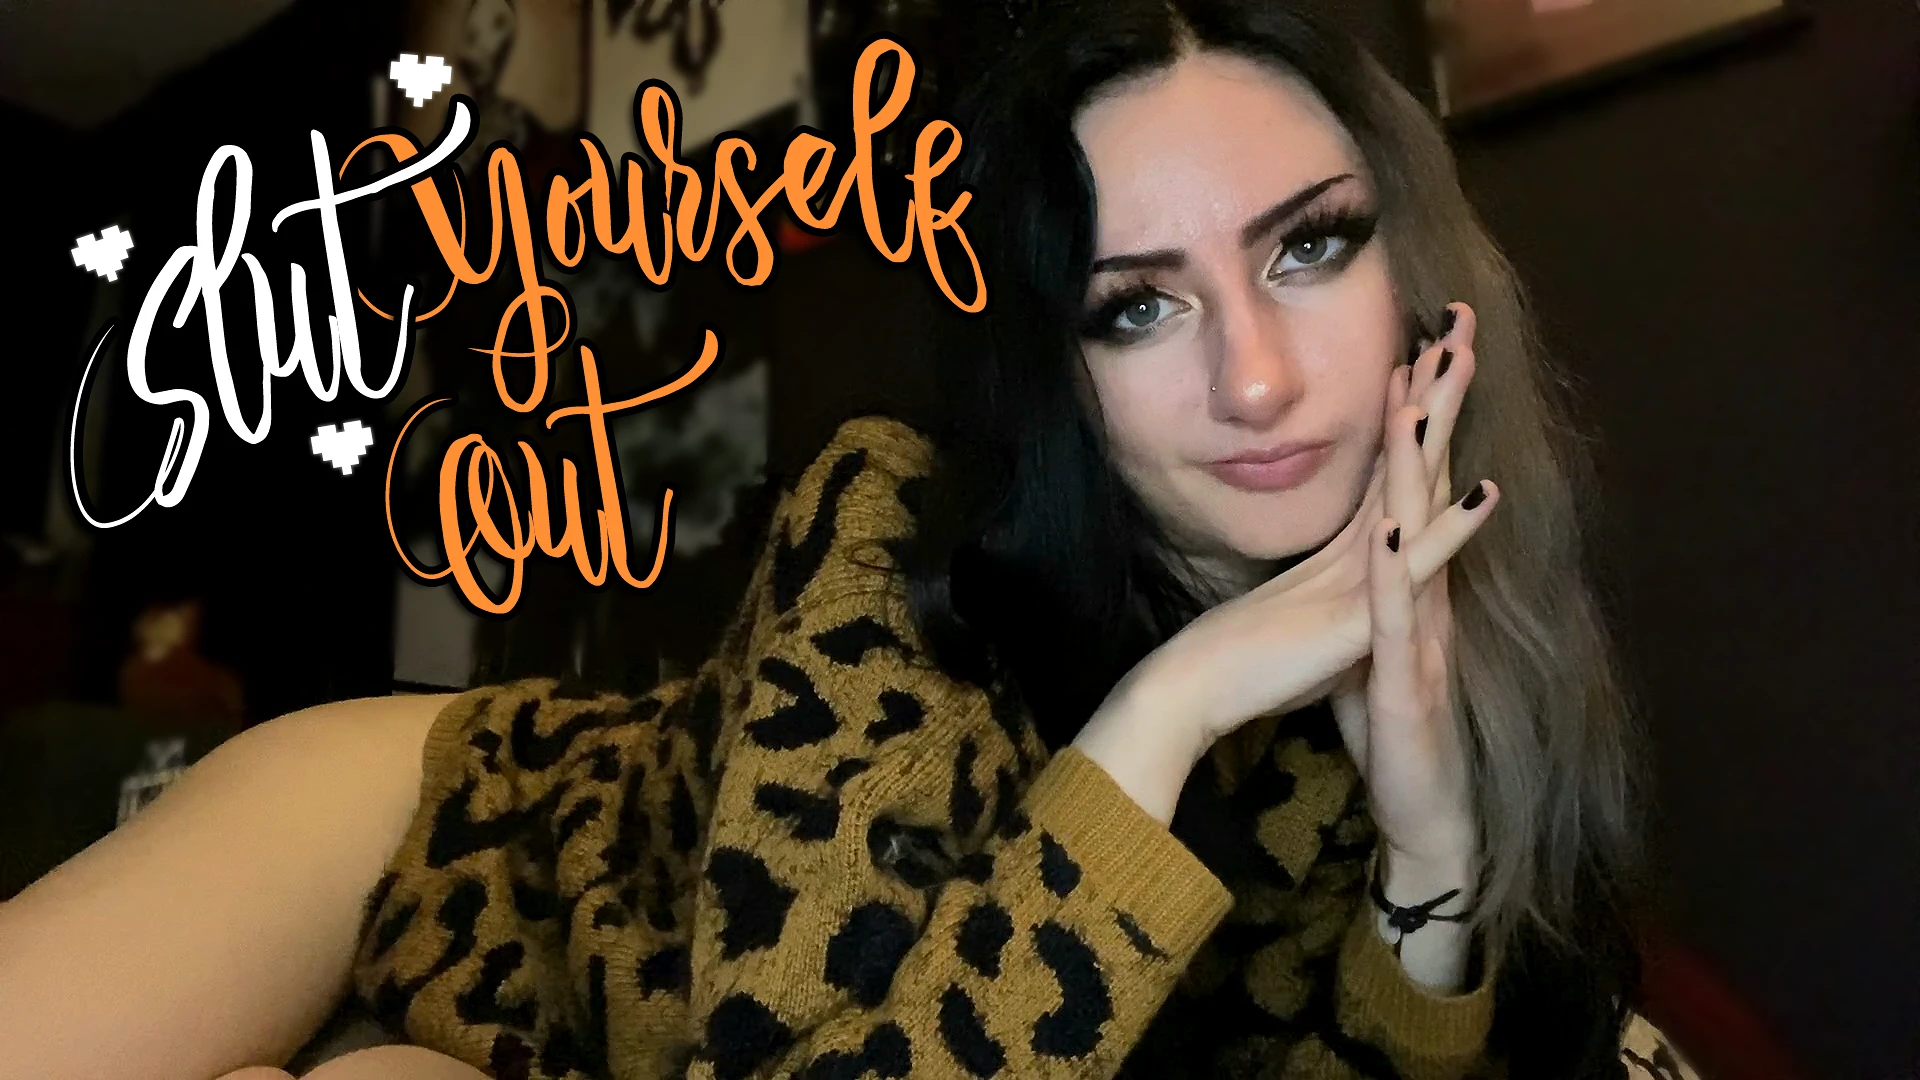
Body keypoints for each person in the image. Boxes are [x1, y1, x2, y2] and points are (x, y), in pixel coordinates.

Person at [0, 2, 1705, 1078]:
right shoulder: (897, 519)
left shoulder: (1439, 636)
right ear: (1054, 366)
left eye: (1308, 248)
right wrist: (1172, 706)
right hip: (436, 842)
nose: (1255, 378)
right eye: (1134, 307)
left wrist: (1428, 848)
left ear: (1417, 270)